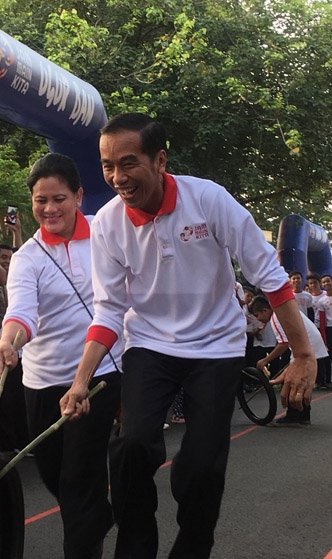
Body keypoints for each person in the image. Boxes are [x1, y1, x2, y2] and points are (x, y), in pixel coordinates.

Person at [60, 113, 316, 559]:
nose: (117, 177)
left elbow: (269, 278)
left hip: (216, 346)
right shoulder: (106, 224)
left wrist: (304, 353)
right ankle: (135, 547)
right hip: (149, 344)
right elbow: (108, 310)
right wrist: (81, 379)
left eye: (128, 163)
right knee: (133, 445)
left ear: (160, 160)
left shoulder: (209, 200)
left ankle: (194, 544)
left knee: (199, 467)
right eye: (107, 166)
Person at [0, 153, 123, 559]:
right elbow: (20, 312)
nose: (49, 209)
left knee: (77, 481)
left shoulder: (106, 237)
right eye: (40, 200)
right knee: (55, 477)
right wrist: (8, 342)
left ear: (79, 196)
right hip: (40, 381)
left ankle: (84, 544)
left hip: (99, 376)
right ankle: (98, 517)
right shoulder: (26, 258)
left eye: (59, 199)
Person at [249, 295, 328, 425]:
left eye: (257, 315)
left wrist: (265, 360)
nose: (258, 319)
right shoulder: (282, 311)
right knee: (299, 379)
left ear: (265, 311)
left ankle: (295, 415)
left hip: (306, 345)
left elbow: (283, 344)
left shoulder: (276, 318)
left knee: (293, 379)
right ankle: (302, 414)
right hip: (310, 342)